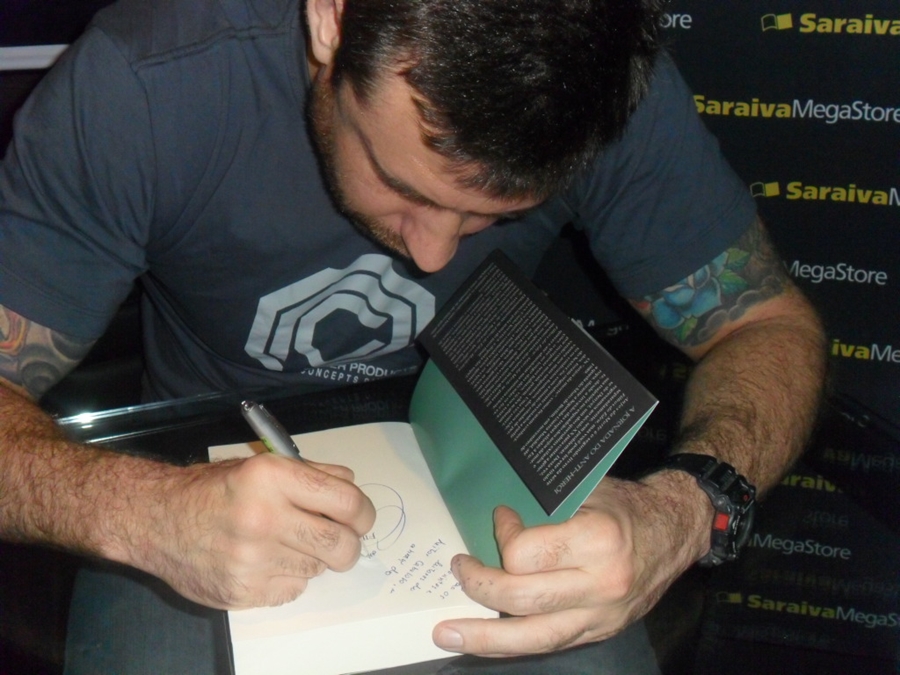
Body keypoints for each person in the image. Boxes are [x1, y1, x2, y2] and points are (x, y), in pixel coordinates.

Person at [0, 0, 826, 673]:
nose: (433, 255)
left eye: (494, 215)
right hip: (192, 478)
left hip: (484, 479)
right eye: (406, 187)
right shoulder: (146, 82)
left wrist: (682, 512)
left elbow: (766, 325)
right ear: (332, 19)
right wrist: (145, 513)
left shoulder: (605, 86)